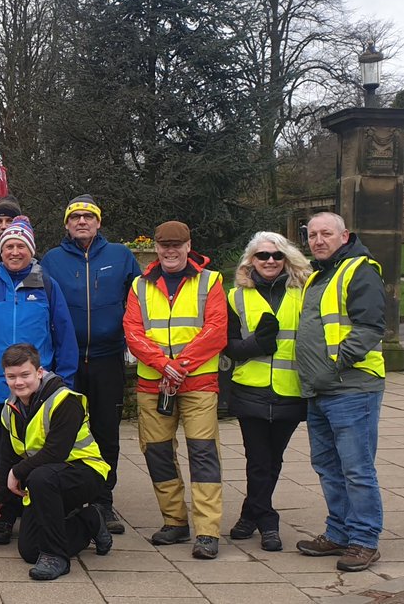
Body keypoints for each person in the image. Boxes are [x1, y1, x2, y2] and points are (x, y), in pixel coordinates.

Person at [0, 215, 78, 546]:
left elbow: (65, 334)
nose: (14, 251)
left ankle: (37, 512)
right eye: (8, 245)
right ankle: (4, 517)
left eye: (20, 246)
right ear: (0, 249)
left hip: (37, 388)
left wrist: (64, 381)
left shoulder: (47, 285)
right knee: (1, 453)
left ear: (31, 251)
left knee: (37, 453)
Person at [123, 220, 227, 559]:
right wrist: (161, 364)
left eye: (176, 244)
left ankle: (207, 531)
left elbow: (216, 330)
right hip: (154, 384)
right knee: (156, 453)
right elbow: (133, 332)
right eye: (164, 244)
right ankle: (175, 522)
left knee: (203, 454)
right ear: (156, 246)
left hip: (197, 382)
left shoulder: (211, 281)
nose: (170, 250)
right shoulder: (139, 285)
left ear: (188, 245)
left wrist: (178, 366)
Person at [41, 194, 141, 534]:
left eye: (88, 216)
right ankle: (68, 498)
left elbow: (141, 300)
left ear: (99, 222)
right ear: (66, 225)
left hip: (107, 358)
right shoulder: (52, 260)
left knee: (106, 432)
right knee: (65, 432)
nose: (81, 222)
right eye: (75, 217)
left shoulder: (121, 256)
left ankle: (103, 500)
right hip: (66, 362)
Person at [294, 212, 386, 572]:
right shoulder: (318, 274)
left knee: (357, 469)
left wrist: (335, 364)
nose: (318, 240)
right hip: (321, 390)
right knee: (328, 467)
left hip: (352, 388)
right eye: (313, 234)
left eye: (326, 233)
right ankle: (338, 533)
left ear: (344, 235)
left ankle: (364, 540)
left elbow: (369, 327)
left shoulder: (359, 269)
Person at [0, 344, 111, 581]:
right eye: (11, 376)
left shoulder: (65, 400)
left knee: (39, 477)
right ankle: (90, 520)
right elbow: (7, 457)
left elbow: (56, 453)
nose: (18, 382)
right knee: (30, 551)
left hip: (85, 473)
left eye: (25, 375)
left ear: (39, 372)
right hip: (47, 480)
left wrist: (17, 472)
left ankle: (56, 557)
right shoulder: (9, 410)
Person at [223, 231, 310, 553]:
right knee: (258, 460)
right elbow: (229, 347)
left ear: (286, 259)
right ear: (251, 261)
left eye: (276, 255)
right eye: (263, 256)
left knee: (273, 460)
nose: (270, 261)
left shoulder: (304, 292)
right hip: (251, 389)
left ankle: (249, 515)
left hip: (291, 388)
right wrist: (255, 345)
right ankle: (268, 522)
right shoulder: (235, 297)